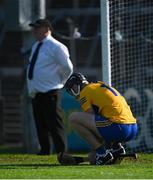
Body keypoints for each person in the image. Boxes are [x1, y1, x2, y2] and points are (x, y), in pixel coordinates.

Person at [64, 72, 137, 165]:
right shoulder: (99, 85)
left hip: (118, 127)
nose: (73, 92)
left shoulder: (85, 91)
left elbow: (91, 120)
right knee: (105, 118)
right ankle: (116, 148)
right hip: (133, 127)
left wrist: (96, 150)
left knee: (73, 118)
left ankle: (102, 154)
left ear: (78, 84)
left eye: (72, 88)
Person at [26, 18, 73, 156]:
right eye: (34, 28)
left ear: (47, 29)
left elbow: (68, 67)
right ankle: (45, 151)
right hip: (37, 92)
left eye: (37, 28)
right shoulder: (36, 46)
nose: (34, 31)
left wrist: (61, 82)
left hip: (51, 91)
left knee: (55, 124)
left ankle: (62, 152)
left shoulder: (56, 46)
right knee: (41, 124)